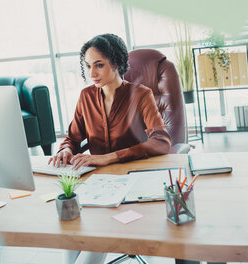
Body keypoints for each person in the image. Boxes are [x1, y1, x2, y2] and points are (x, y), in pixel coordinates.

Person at [49, 33, 172, 264]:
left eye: (99, 65)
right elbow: (72, 138)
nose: (92, 73)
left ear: (116, 63)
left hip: (131, 186)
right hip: (96, 187)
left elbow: (162, 141)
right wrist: (65, 150)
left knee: (89, 248)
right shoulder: (86, 97)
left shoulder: (141, 95)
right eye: (87, 66)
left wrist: (110, 157)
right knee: (70, 243)